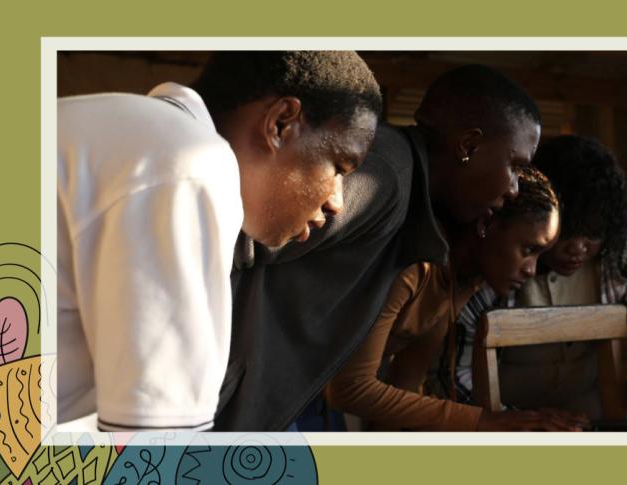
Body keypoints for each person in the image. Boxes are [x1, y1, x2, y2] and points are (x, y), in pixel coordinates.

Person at [57, 51, 382, 431]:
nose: (337, 201)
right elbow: (155, 452)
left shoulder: (113, 130)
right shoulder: (188, 165)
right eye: (339, 167)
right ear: (281, 123)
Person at [216, 65, 542, 430]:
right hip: (218, 410)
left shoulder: (407, 194)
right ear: (468, 146)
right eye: (515, 165)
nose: (513, 188)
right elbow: (230, 241)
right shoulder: (382, 178)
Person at [442, 135, 627, 421]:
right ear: (542, 213)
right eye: (569, 230)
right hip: (507, 417)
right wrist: (509, 421)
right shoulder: (503, 251)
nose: (578, 248)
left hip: (588, 411)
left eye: (592, 236)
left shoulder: (624, 233)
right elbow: (455, 372)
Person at [326, 166, 584, 431]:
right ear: (485, 224)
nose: (531, 269)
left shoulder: (465, 280)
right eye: (529, 250)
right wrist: (485, 421)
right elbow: (348, 388)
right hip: (297, 388)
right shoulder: (414, 267)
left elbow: (405, 380)